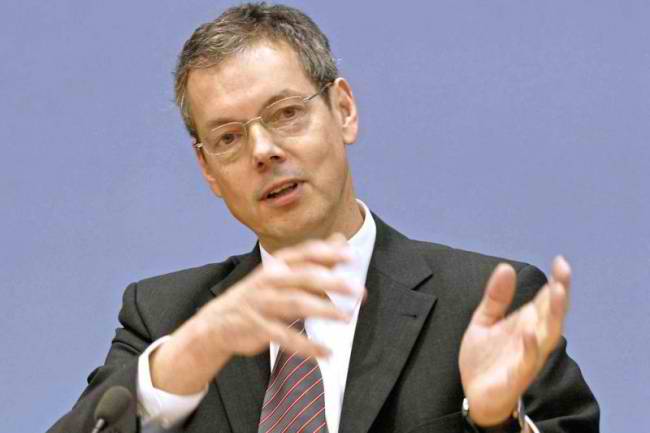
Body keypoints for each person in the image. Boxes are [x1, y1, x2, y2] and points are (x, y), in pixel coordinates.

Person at [47, 3, 599, 433]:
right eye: (228, 138)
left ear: (344, 110)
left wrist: (495, 421)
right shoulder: (164, 317)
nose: (263, 151)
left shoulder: (480, 303)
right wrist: (186, 358)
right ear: (207, 169)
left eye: (286, 113)